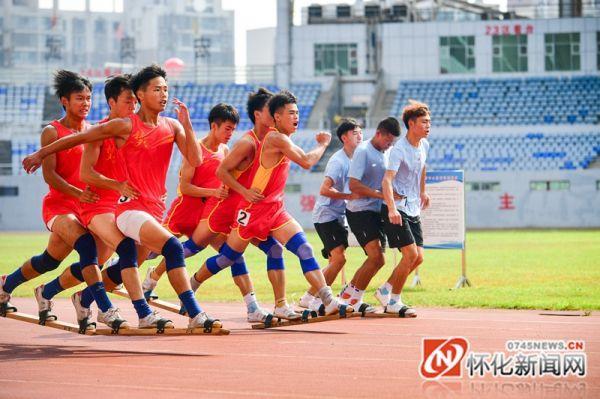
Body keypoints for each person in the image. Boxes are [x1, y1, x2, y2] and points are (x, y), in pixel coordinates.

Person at [22, 65, 221, 331]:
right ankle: (185, 314)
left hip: (154, 208)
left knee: (129, 262)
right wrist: (41, 154)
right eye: (156, 89)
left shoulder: (172, 126)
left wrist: (185, 122)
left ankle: (85, 296)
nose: (163, 94)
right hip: (127, 209)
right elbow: (78, 138)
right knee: (172, 247)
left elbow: (196, 159)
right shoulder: (124, 125)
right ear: (140, 94)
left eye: (166, 89)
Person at [190, 90, 351, 316]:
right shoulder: (275, 138)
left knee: (303, 248)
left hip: (275, 210)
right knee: (228, 257)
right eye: (291, 113)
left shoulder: (284, 138)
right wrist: (324, 144)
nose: (296, 117)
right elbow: (306, 161)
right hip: (253, 211)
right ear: (277, 117)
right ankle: (192, 284)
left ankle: (320, 300)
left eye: (298, 112)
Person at [33, 74, 172, 330]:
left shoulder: (136, 129)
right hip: (95, 205)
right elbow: (84, 170)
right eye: (128, 101)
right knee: (122, 250)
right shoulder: (103, 129)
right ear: (111, 102)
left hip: (120, 206)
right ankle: (122, 310)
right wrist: (42, 153)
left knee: (100, 264)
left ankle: (60, 293)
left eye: (135, 101)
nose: (133, 107)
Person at [144, 90, 296, 321]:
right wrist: (215, 191)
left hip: (214, 210)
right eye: (227, 129)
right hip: (186, 210)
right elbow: (185, 188)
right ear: (213, 126)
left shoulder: (227, 150)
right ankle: (143, 275)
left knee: (233, 255)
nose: (230, 134)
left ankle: (252, 306)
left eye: (233, 129)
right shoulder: (195, 150)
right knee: (157, 250)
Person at [1, 70, 127, 329]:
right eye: (79, 98)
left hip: (88, 206)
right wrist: (79, 193)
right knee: (86, 248)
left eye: (89, 98)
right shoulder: (52, 131)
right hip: (60, 206)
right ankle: (104, 308)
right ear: (64, 101)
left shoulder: (95, 131)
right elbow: (51, 177)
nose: (86, 104)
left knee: (51, 260)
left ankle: (17, 286)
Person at [298, 119, 363, 310]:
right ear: (344, 138)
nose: (359, 135)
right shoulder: (338, 161)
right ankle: (320, 299)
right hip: (326, 215)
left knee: (335, 261)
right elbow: (324, 189)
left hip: (338, 215)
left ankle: (308, 297)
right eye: (354, 133)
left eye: (360, 132)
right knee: (339, 259)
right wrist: (349, 196)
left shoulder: (353, 159)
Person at [338, 117, 401, 308]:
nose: (389, 145)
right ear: (378, 134)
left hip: (376, 211)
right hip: (359, 211)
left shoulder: (387, 151)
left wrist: (391, 195)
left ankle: (348, 294)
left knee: (377, 260)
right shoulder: (363, 151)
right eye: (387, 140)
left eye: (392, 142)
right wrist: (381, 196)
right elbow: (353, 184)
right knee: (376, 258)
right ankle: (354, 299)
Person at [379, 101, 430, 316]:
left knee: (419, 257)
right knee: (409, 255)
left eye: (429, 122)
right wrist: (391, 209)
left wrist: (423, 192)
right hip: (396, 208)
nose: (428, 126)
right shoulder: (399, 149)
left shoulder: (424, 145)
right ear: (411, 123)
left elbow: (423, 167)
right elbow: (386, 181)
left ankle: (384, 290)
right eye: (424, 122)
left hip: (413, 207)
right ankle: (394, 301)